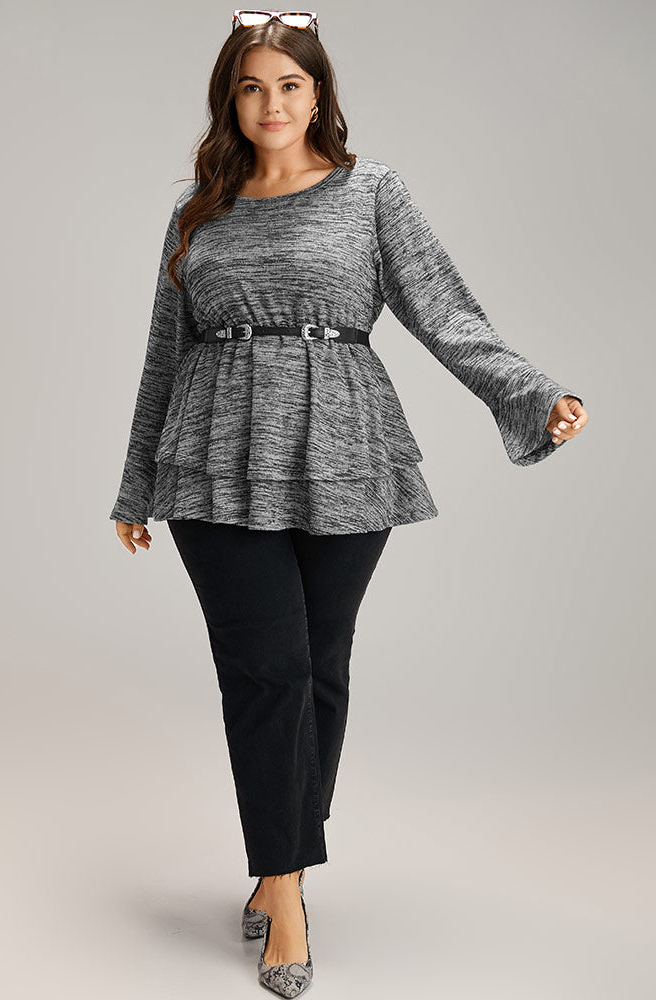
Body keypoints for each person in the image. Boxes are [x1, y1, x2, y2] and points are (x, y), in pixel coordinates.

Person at [109, 10, 588, 997]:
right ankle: (286, 891)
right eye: (250, 86)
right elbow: (165, 351)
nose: (270, 103)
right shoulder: (199, 209)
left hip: (344, 454)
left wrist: (533, 392)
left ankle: (276, 862)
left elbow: (446, 312)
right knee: (269, 670)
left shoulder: (374, 193)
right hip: (213, 456)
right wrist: (135, 485)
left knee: (321, 669)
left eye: (288, 84)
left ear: (318, 93)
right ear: (229, 99)